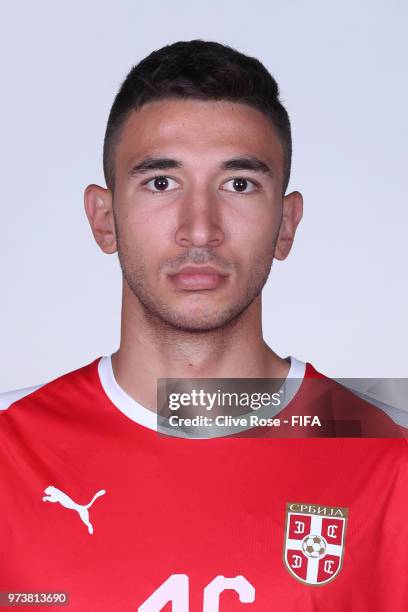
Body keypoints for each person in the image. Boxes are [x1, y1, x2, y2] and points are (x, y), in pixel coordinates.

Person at [0, 40, 406, 611]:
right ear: (104, 218)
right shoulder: (9, 449)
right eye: (161, 183)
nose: (199, 230)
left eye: (238, 184)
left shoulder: (389, 455)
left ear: (285, 225)